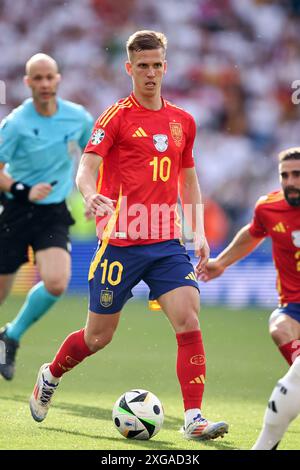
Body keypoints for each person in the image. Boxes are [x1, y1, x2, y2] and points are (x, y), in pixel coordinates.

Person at [29, 30, 228, 441]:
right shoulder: (115, 117)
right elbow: (86, 167)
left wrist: (197, 229)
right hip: (119, 242)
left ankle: (194, 419)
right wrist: (90, 193)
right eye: (143, 66)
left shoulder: (182, 122)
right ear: (129, 69)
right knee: (97, 337)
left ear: (165, 67)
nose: (151, 73)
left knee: (188, 318)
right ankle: (50, 374)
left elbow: (187, 180)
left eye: (157, 65)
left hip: (165, 242)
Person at [0, 53, 94, 380]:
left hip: (53, 211)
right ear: (27, 83)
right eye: (37, 79)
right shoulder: (16, 124)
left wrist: (93, 194)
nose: (44, 84)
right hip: (15, 208)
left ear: (58, 79)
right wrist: (24, 189)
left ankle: (11, 334)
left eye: (49, 77)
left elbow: (93, 159)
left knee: (56, 282)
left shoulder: (77, 118)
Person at [200, 147, 300, 449]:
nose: (291, 181)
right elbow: (253, 233)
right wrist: (221, 262)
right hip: (293, 306)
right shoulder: (268, 208)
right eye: (285, 175)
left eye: (297, 174)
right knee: (278, 325)